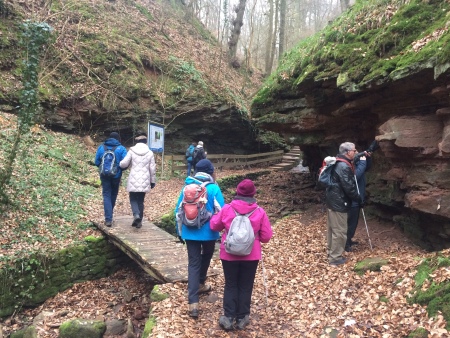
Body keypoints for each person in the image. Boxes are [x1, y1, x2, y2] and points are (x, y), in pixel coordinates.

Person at [210, 179, 273, 331]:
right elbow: (266, 237)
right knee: (246, 285)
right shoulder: (259, 211)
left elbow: (214, 225)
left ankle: (228, 317)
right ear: (253, 193)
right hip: (251, 255)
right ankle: (242, 317)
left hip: (229, 253)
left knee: (231, 284)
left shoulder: (227, 209)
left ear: (237, 192)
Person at [175, 159, 224, 318]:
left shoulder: (186, 187)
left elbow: (177, 212)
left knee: (193, 263)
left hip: (190, 232)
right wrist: (222, 231)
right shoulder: (213, 188)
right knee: (207, 255)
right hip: (209, 232)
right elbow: (222, 211)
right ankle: (201, 282)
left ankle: (193, 303)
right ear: (210, 172)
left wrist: (179, 232)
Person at [325, 142, 362, 266]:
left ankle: (331, 252)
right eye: (354, 151)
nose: (356, 152)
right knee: (340, 231)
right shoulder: (344, 166)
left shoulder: (337, 161)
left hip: (332, 201)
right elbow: (349, 187)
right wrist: (358, 198)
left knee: (332, 229)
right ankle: (335, 258)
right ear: (348, 152)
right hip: (339, 202)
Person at [346, 140, 379, 252]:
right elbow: (356, 176)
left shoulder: (355, 161)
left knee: (354, 221)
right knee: (350, 221)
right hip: (352, 198)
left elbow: (367, 168)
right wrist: (363, 161)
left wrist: (367, 158)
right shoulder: (348, 164)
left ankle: (349, 239)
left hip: (357, 196)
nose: (356, 152)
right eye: (354, 151)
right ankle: (345, 243)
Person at [119, 132, 156, 228]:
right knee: (140, 200)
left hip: (133, 177)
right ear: (145, 142)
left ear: (137, 142)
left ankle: (136, 215)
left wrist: (119, 164)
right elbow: (152, 168)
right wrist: (152, 181)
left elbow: (124, 164)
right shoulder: (150, 153)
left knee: (132, 198)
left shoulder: (132, 151)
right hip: (145, 178)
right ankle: (139, 222)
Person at [94, 132, 127, 227]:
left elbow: (96, 162)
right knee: (113, 194)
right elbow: (125, 164)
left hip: (104, 176)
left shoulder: (102, 147)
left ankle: (108, 218)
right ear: (118, 139)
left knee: (106, 195)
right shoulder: (121, 149)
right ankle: (109, 215)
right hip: (116, 176)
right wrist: (119, 170)